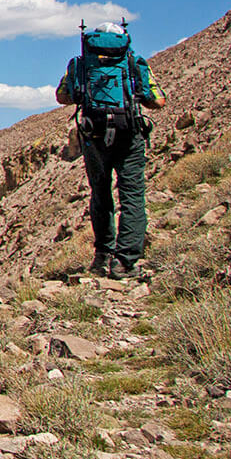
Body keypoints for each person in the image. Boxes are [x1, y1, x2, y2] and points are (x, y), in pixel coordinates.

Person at [56, 20, 164, 279]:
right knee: (132, 196)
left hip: (95, 137)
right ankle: (126, 262)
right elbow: (158, 100)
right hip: (129, 136)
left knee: (101, 195)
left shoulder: (80, 65)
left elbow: (62, 96)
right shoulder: (133, 63)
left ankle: (103, 256)